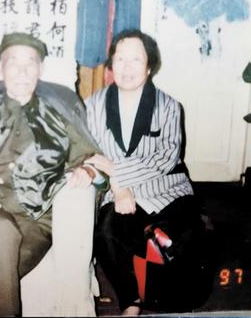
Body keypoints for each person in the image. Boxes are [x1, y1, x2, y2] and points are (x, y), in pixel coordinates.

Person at [0, 32, 101, 316]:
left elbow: (92, 161)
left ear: (41, 69)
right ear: (0, 68)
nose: (22, 71)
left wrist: (87, 170)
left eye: (31, 63)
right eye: (13, 63)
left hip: (35, 219)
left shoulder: (58, 116)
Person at [84, 29, 209, 314]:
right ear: (111, 64)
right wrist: (118, 188)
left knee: (182, 235)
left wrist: (116, 173)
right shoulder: (92, 106)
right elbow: (88, 154)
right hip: (117, 193)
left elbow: (166, 156)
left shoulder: (169, 106)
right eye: (120, 59)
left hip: (166, 188)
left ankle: (174, 295)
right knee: (106, 232)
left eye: (136, 60)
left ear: (149, 66)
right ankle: (131, 300)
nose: (127, 68)